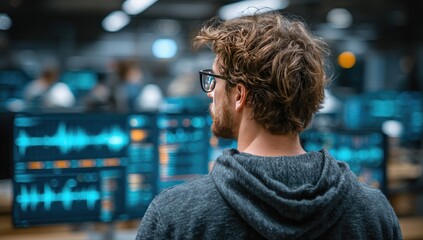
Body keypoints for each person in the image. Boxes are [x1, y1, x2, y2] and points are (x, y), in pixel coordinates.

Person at [136, 11, 402, 239]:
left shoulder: (176, 215)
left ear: (239, 94)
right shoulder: (373, 213)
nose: (209, 92)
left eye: (212, 79)